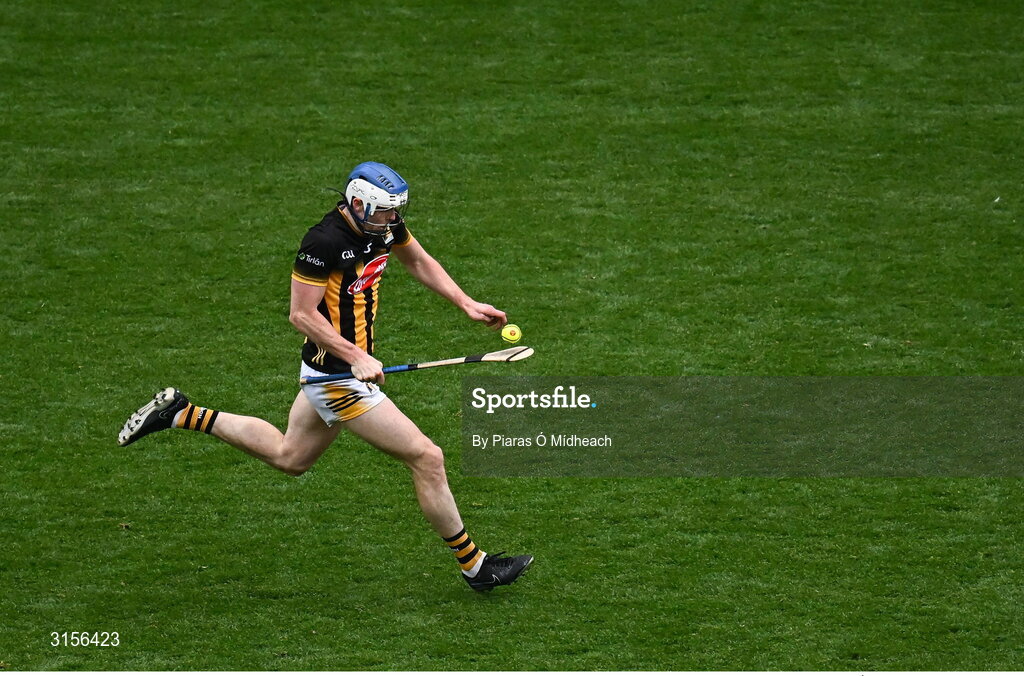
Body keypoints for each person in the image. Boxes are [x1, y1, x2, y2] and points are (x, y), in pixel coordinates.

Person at [118, 161, 533, 592]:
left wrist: (465, 302)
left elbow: (418, 260)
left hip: (341, 369)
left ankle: (182, 413)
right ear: (357, 203)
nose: (392, 220)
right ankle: (475, 566)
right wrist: (355, 356)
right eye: (384, 212)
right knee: (427, 458)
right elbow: (300, 314)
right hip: (336, 376)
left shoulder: (384, 226)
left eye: (395, 212)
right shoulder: (323, 242)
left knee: (290, 457)